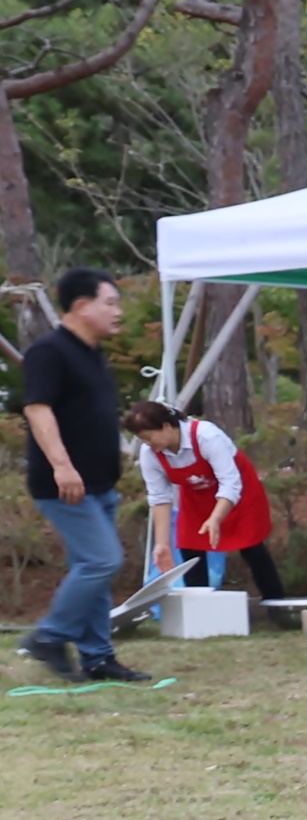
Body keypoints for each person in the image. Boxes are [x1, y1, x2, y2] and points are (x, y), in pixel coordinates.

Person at [13, 267, 144, 682]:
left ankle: (98, 657)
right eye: (110, 302)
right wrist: (62, 466)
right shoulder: (49, 352)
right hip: (66, 484)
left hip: (100, 482)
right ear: (82, 305)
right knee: (102, 561)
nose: (117, 311)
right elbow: (37, 408)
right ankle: (49, 637)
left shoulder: (92, 354)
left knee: (94, 571)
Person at [128, 400, 284, 603]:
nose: (148, 444)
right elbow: (159, 498)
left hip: (239, 493)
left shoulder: (207, 436)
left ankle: (277, 603)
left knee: (251, 547)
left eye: (149, 437)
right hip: (197, 498)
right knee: (190, 548)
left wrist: (216, 518)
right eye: (143, 440)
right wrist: (162, 544)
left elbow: (230, 483)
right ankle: (199, 608)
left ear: (167, 426)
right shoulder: (150, 454)